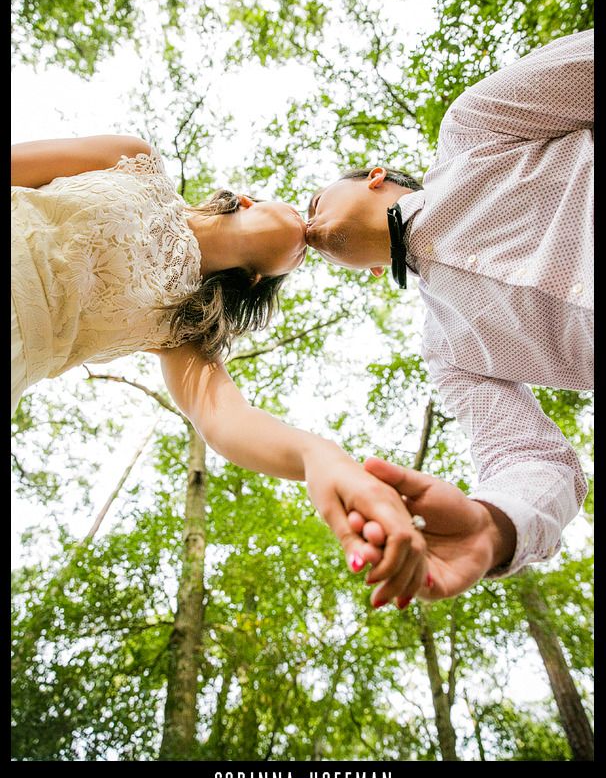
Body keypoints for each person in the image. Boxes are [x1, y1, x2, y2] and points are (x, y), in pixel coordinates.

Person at [11, 134, 432, 607]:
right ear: (247, 202)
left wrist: (320, 456)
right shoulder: (132, 160)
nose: (310, 227)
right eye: (304, 205)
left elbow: (227, 421)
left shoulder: (182, 333)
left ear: (257, 279)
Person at [305, 28, 593, 602]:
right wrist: (492, 525)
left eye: (314, 200)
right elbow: (526, 456)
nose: (308, 222)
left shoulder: (476, 128)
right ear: (365, 273)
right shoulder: (447, 350)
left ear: (375, 178)